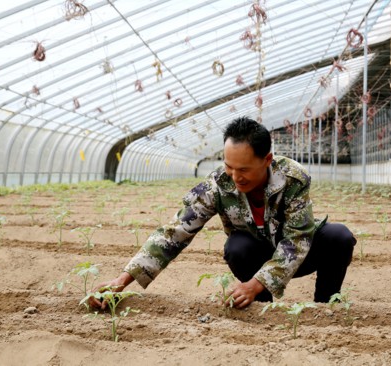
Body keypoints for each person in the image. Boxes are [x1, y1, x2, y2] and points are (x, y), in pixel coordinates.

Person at [89, 116, 356, 310]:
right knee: (237, 247)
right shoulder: (218, 184)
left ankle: (326, 306)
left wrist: (258, 282)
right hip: (256, 253)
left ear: (267, 160)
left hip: (299, 254)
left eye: (244, 169)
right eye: (230, 166)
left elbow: (297, 240)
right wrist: (123, 280)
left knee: (339, 236)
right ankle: (261, 307)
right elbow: (175, 233)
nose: (236, 177)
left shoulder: (292, 178)